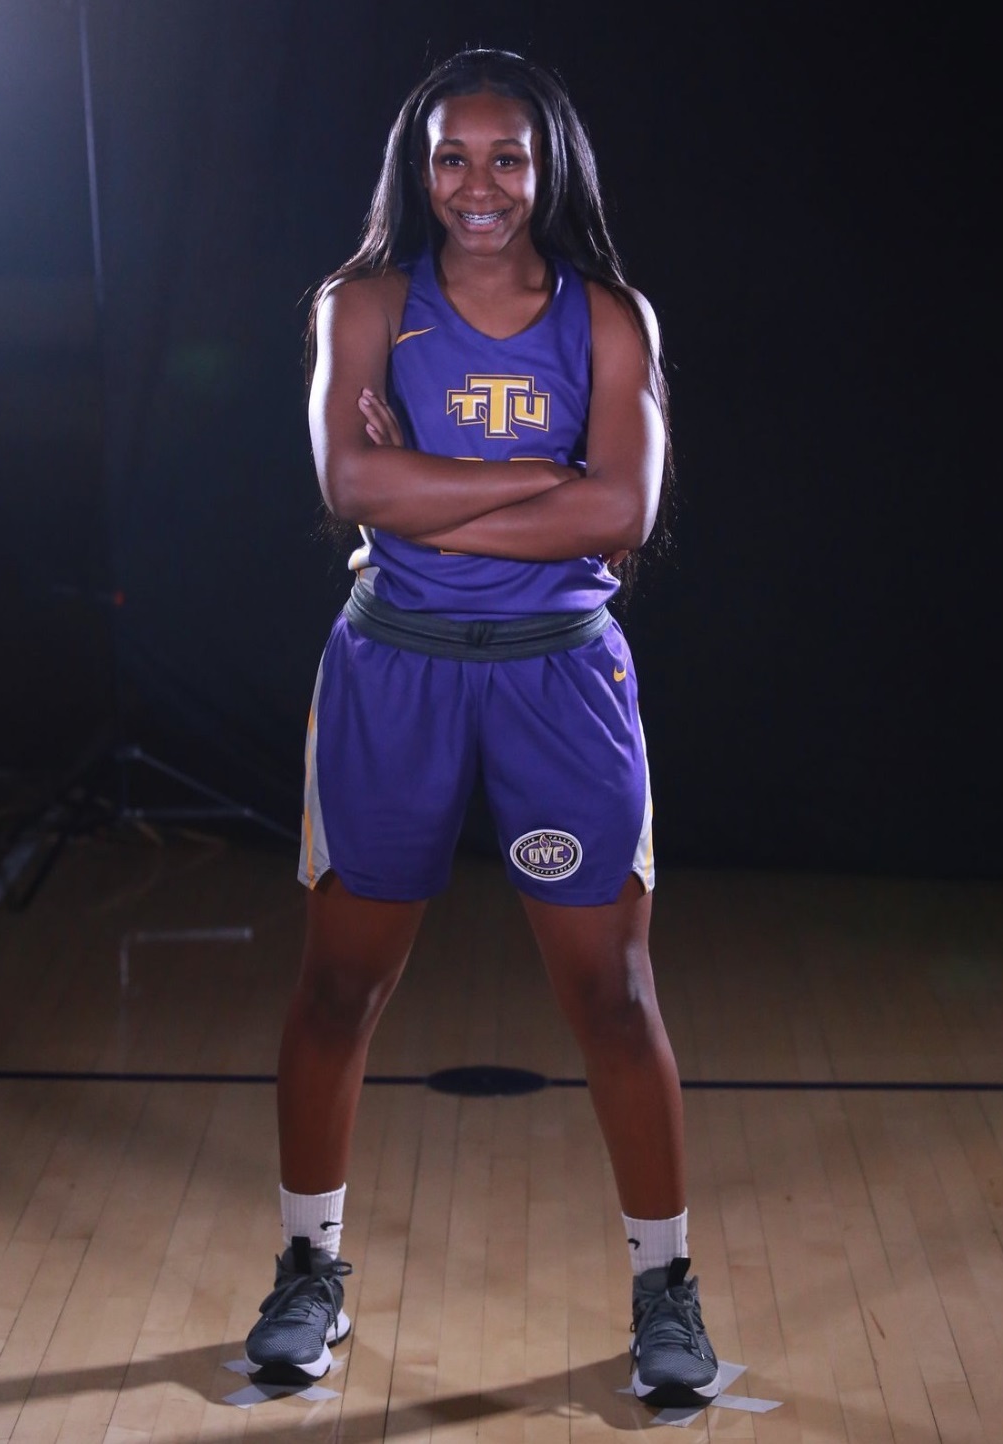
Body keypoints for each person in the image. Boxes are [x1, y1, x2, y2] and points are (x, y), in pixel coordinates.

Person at [245, 46, 720, 1409]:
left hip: (558, 677)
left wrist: (432, 489)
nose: (480, 185)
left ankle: (666, 1289)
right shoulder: (364, 304)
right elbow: (350, 485)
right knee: (339, 990)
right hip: (394, 671)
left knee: (615, 998)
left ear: (548, 169)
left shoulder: (609, 319)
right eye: (453, 156)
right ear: (421, 168)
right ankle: (309, 1269)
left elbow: (621, 513)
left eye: (508, 157)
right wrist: (533, 477)